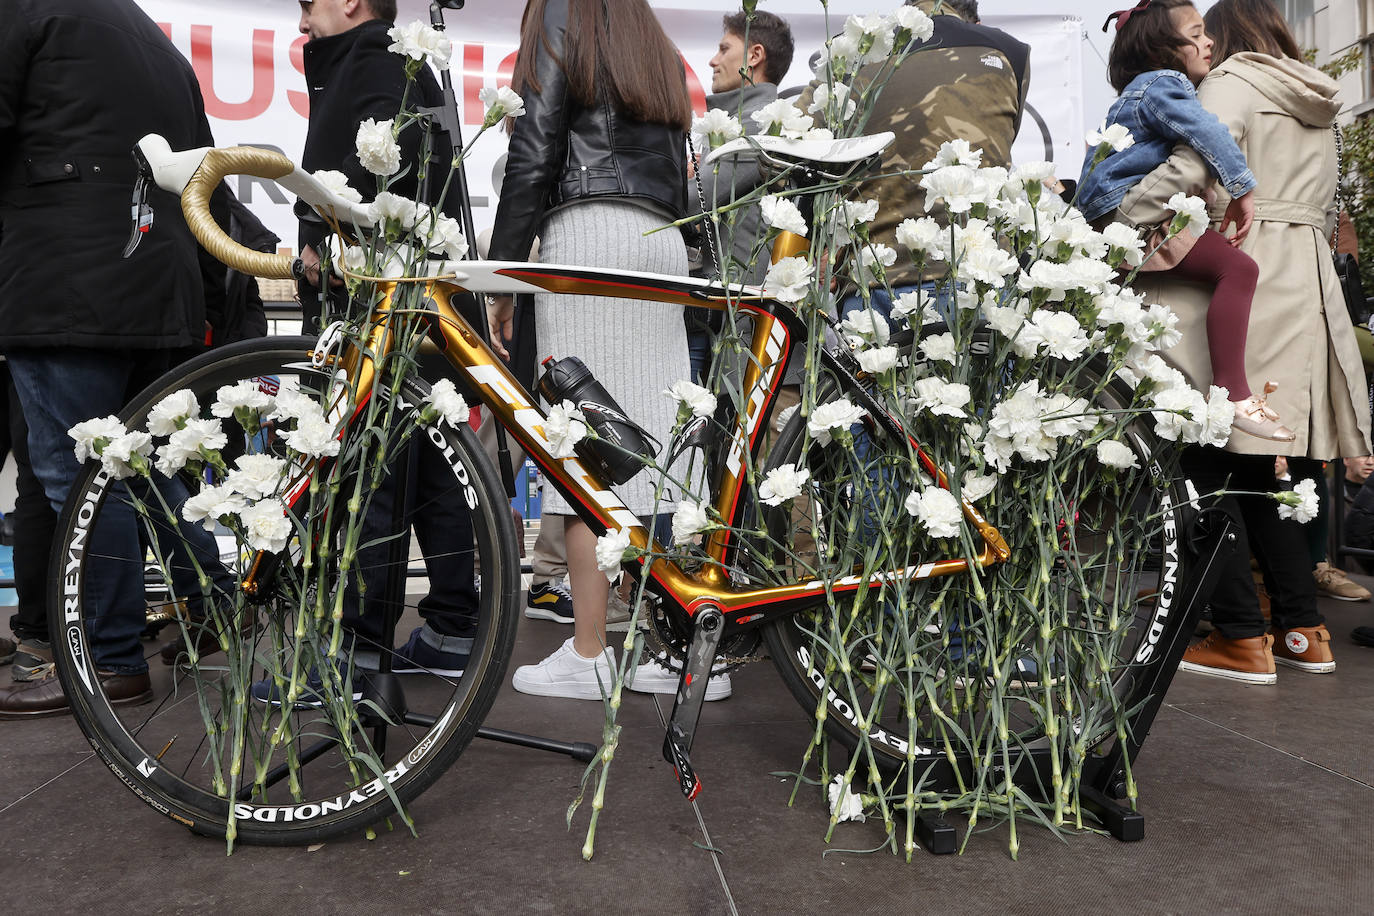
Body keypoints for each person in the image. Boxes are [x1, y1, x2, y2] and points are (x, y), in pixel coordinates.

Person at [1116, 0, 1372, 682]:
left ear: (1224, 37)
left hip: (1239, 269)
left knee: (1201, 459)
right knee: (1262, 467)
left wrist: (1119, 219)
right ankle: (1303, 631)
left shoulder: (1231, 85)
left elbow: (1193, 166)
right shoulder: (1314, 98)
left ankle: (1240, 636)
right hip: (1302, 284)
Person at [487, 0, 729, 701]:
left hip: (586, 235)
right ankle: (685, 655)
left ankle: (590, 649)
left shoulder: (565, 11)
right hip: (659, 245)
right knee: (660, 453)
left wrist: (503, 277)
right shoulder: (649, 37)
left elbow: (534, 150)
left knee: (588, 446)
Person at [0, 0, 228, 715]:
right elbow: (205, 172)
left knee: (84, 476)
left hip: (66, 277)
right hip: (160, 279)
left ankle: (111, 661)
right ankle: (214, 620)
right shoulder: (155, 42)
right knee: (158, 471)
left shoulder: (24, 11)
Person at [275, 0, 478, 682]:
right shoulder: (397, 62)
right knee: (427, 457)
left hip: (372, 290)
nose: (302, 23)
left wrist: (325, 244)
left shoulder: (368, 61)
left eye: (308, 5)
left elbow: (385, 173)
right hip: (415, 287)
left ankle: (353, 648)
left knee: (368, 463)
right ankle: (453, 626)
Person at [1079, 0, 1292, 443]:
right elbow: (1207, 131)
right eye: (1195, 35)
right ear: (1161, 48)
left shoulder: (1138, 90)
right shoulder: (1164, 83)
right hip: (1129, 210)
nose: (1209, 41)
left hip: (1108, 212)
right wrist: (1242, 187)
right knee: (1240, 268)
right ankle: (1234, 394)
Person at [827, 0, 1029, 323]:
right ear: (972, 18)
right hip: (979, 281)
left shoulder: (852, 51)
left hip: (875, 281)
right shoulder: (1009, 53)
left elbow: (793, 160)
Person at [687, 9, 796, 381]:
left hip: (741, 321)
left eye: (723, 49)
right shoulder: (739, 122)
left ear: (754, 56)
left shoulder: (761, 123)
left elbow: (694, 199)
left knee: (730, 434)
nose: (713, 60)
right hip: (727, 312)